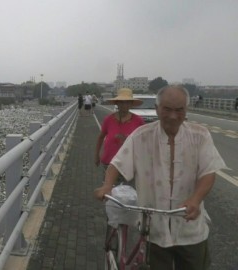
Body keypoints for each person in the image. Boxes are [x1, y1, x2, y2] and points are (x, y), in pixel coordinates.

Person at [94, 85, 227, 270]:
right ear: (157, 109)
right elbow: (118, 163)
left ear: (186, 110)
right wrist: (107, 185)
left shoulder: (200, 136)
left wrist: (196, 199)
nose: (173, 116)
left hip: (190, 226)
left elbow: (208, 171)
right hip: (154, 226)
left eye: (179, 110)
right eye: (167, 109)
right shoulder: (141, 136)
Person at [94, 88, 145, 185]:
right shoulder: (109, 119)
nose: (124, 105)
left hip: (129, 163)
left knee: (127, 194)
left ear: (131, 104)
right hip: (109, 162)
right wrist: (96, 155)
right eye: (121, 102)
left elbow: (144, 142)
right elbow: (101, 137)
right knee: (109, 191)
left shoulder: (138, 121)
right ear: (117, 103)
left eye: (127, 102)